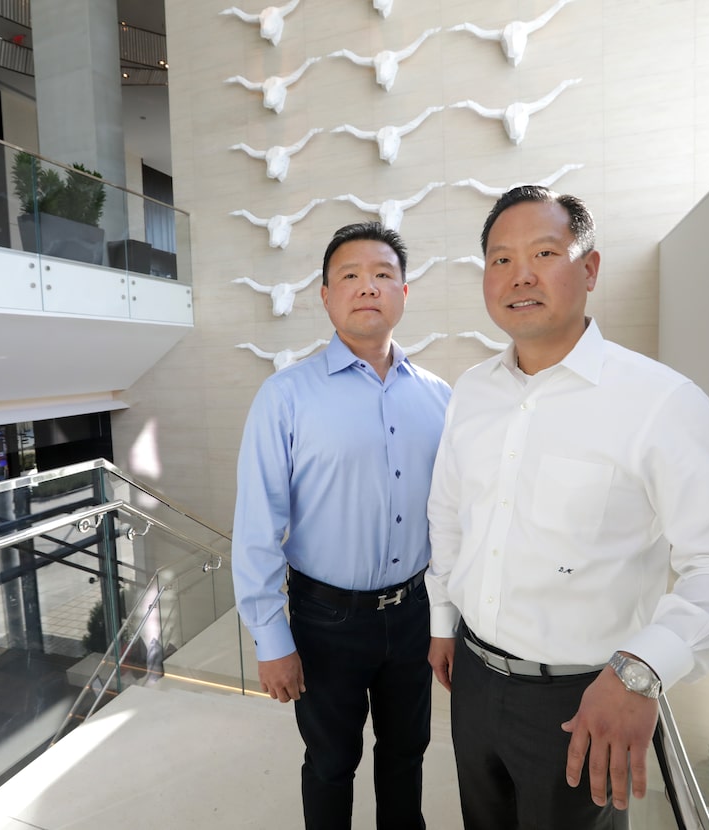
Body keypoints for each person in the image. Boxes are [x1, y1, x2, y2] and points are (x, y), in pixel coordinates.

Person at [425, 185, 709, 829]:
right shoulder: (472, 391)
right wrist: (444, 620)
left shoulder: (660, 402)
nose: (520, 274)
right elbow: (450, 515)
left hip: (585, 697)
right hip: (471, 679)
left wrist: (641, 671)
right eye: (500, 259)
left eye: (545, 252)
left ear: (588, 269)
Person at [232, 221, 451, 830]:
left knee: (407, 755)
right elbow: (256, 526)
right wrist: (271, 640)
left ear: (404, 294)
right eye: (349, 276)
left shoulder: (440, 398)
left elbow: (455, 519)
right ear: (325, 296)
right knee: (331, 762)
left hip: (413, 613)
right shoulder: (285, 397)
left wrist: (446, 622)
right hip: (326, 620)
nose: (367, 287)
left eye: (383, 275)